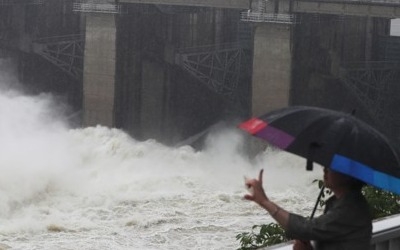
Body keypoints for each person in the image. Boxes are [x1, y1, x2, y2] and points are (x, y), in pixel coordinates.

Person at [244, 167, 372, 250]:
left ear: (348, 175)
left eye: (332, 166)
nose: (325, 169)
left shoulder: (350, 208)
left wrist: (265, 202)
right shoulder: (340, 203)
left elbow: (306, 229)